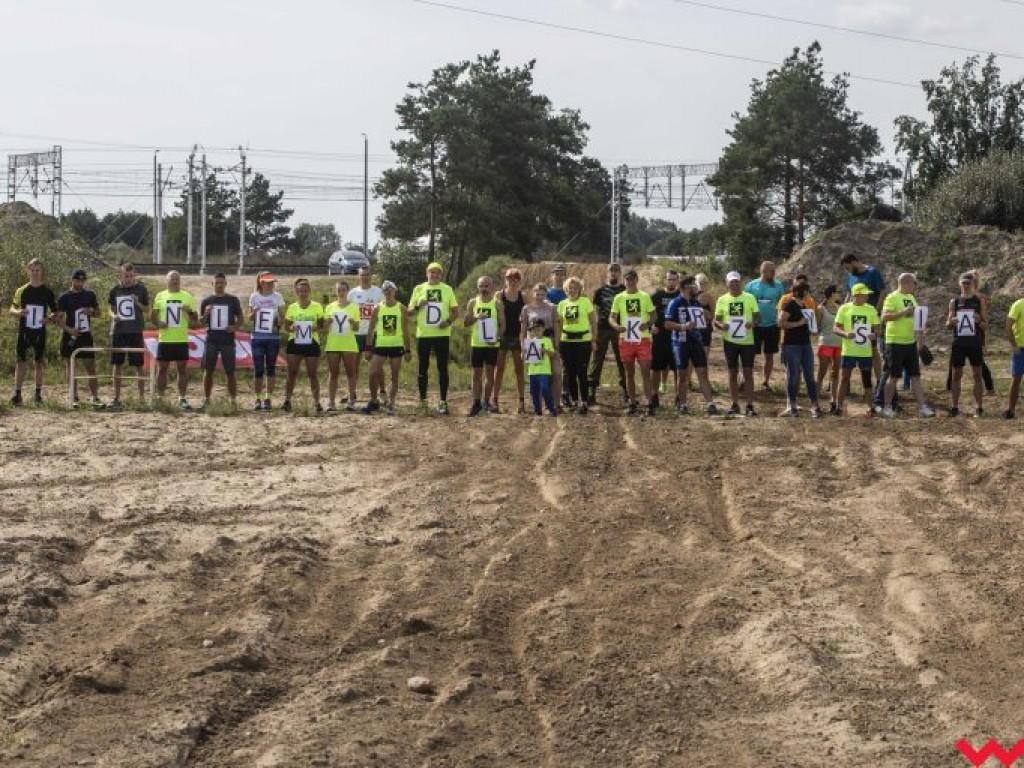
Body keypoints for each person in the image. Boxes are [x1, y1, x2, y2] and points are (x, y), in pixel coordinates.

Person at [880, 273, 935, 418]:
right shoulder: (892, 297)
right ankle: (887, 407)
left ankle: (922, 407)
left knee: (915, 376)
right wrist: (903, 312)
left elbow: (918, 319)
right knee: (893, 376)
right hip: (895, 342)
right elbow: (884, 317)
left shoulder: (911, 298)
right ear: (905, 283)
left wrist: (921, 338)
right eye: (913, 283)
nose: (915, 286)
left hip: (910, 342)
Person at [407, 262, 460, 414]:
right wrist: (418, 306)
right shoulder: (419, 289)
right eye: (432, 272)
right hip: (424, 335)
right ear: (427, 274)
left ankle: (443, 401)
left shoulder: (447, 289)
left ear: (441, 275)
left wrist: (448, 322)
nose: (434, 275)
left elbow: (456, 312)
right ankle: (423, 401)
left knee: (442, 369)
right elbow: (408, 313)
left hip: (442, 335)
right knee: (422, 368)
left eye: (437, 272)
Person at [665, 275, 718, 415]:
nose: (695, 288)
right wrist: (683, 326)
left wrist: (706, 316)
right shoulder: (675, 303)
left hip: (696, 341)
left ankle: (710, 404)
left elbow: (703, 321)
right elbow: (667, 324)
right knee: (682, 375)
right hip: (680, 343)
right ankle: (683, 404)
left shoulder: (696, 302)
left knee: (703, 373)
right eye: (693, 286)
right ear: (685, 288)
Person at [9, 258, 58, 406]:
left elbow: (56, 313)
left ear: (42, 271)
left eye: (38, 270)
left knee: (38, 362)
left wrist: (49, 319)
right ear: (28, 271)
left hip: (39, 332)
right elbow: (12, 309)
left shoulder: (47, 292)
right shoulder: (21, 290)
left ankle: (37, 395)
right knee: (20, 362)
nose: (35, 273)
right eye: (33, 270)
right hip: (24, 330)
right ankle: (17, 394)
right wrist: (18, 312)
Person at [610, 268, 657, 416]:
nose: (630, 282)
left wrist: (648, 324)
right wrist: (616, 326)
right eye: (627, 279)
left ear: (637, 280)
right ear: (624, 281)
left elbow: (654, 315)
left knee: (645, 371)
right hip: (626, 339)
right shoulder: (619, 297)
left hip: (643, 339)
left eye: (632, 279)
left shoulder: (645, 296)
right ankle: (632, 403)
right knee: (629, 372)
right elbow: (611, 317)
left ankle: (649, 402)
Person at [714, 271, 760, 417]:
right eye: (731, 282)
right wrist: (722, 326)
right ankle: (734, 404)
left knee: (748, 373)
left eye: (736, 281)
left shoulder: (750, 297)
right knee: (732, 372)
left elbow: (757, 317)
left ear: (740, 282)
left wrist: (753, 324)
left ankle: (750, 405)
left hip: (747, 342)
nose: (734, 284)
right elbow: (716, 320)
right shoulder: (722, 299)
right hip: (730, 342)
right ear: (727, 283)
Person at [362, 281, 411, 416]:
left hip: (396, 345)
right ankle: (374, 401)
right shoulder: (377, 308)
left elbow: (406, 331)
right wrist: (368, 348)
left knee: (394, 375)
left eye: (390, 291)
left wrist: (407, 349)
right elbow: (371, 329)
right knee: (372, 373)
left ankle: (391, 404)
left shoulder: (401, 308)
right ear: (383, 293)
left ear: (395, 291)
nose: (388, 294)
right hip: (381, 345)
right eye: (385, 291)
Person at [150, 270, 198, 409]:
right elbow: (152, 317)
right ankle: (160, 398)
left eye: (177, 279)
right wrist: (158, 323)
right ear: (167, 280)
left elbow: (195, 319)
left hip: (181, 339)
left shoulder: (187, 296)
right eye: (172, 279)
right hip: (165, 339)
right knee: (162, 369)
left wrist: (189, 311)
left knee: (182, 369)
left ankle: (182, 398)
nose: (175, 281)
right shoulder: (160, 296)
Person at [833, 283, 880, 417]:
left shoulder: (871, 309)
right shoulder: (844, 308)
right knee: (844, 378)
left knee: (867, 379)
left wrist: (874, 335)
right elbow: (835, 328)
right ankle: (838, 407)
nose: (867, 297)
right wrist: (845, 334)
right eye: (865, 294)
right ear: (857, 295)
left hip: (865, 351)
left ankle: (870, 408)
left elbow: (878, 329)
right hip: (849, 351)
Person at [777, 280, 822, 417]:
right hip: (792, 345)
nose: (807, 293)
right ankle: (792, 406)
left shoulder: (805, 305)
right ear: (798, 292)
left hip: (805, 344)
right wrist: (799, 323)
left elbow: (808, 325)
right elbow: (781, 323)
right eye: (805, 291)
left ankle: (815, 405)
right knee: (793, 375)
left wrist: (813, 329)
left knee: (810, 375)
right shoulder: (789, 305)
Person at [108, 262, 150, 409]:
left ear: (134, 275)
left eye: (130, 276)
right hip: (118, 331)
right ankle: (116, 398)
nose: (128, 278)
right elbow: (110, 309)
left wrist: (137, 303)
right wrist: (113, 316)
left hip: (135, 331)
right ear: (121, 275)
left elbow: (147, 309)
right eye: (125, 275)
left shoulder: (141, 289)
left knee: (138, 365)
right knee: (117, 364)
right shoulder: (115, 289)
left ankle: (141, 399)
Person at [58, 268, 101, 408]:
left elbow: (99, 313)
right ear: (72, 280)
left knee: (90, 366)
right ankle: (74, 397)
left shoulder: (90, 294)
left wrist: (91, 311)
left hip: (85, 335)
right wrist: (69, 330)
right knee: (71, 367)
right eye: (78, 280)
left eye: (83, 280)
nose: (80, 283)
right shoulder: (64, 297)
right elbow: (59, 318)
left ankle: (95, 397)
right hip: (70, 336)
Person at [199, 273, 243, 409]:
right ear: (212, 284)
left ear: (225, 284)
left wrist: (234, 327)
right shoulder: (206, 300)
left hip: (227, 340)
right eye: (217, 282)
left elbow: (241, 318)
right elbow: (201, 322)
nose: (219, 285)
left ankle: (233, 401)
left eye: (221, 282)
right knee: (208, 370)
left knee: (230, 371)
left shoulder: (233, 300)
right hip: (211, 339)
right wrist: (205, 314)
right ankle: (206, 400)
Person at [841, 253, 887, 380]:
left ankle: (879, 381)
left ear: (854, 262)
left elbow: (883, 291)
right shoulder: (850, 276)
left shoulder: (872, 272)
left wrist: (876, 312)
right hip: (852, 318)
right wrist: (843, 311)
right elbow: (849, 294)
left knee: (873, 348)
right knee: (850, 347)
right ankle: (846, 382)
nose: (847, 271)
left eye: (848, 267)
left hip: (869, 317)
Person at [463, 275, 504, 417]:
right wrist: (476, 318)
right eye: (481, 286)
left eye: (486, 286)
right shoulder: (472, 303)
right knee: (476, 374)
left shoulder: (497, 303)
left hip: (492, 344)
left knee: (490, 374)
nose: (484, 288)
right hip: (477, 344)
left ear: (492, 287)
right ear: (478, 287)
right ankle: (476, 403)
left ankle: (486, 401)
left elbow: (503, 324)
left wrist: (497, 338)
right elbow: (466, 323)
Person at [946, 272, 986, 417]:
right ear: (960, 284)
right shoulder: (954, 302)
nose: (966, 285)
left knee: (977, 374)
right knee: (956, 374)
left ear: (973, 284)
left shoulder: (979, 301)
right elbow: (947, 324)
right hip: (959, 342)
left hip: (974, 342)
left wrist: (979, 320)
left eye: (969, 283)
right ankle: (955, 407)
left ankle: (979, 407)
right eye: (964, 283)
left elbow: (985, 325)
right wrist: (952, 322)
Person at [588, 263, 628, 406]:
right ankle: (591, 391)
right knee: (597, 360)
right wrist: (595, 331)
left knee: (623, 359)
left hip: (619, 329)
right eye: (612, 270)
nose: (614, 273)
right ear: (607, 273)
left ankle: (627, 391)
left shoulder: (625, 290)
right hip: (603, 328)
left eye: (617, 271)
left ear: (620, 273)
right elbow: (596, 312)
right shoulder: (600, 292)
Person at [282, 277, 325, 413]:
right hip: (295, 342)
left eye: (305, 291)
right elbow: (286, 327)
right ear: (297, 292)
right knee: (292, 373)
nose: (303, 293)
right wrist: (292, 328)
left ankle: (316, 402)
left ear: (309, 291)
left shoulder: (317, 306)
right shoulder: (292, 307)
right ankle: (287, 400)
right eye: (300, 291)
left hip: (311, 342)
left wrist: (314, 328)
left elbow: (322, 325)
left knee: (312, 374)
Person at [556, 276, 596, 414]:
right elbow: (559, 325)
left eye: (575, 288)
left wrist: (594, 340)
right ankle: (574, 401)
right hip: (566, 342)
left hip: (583, 342)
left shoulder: (585, 302)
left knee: (582, 372)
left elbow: (593, 322)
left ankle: (584, 402)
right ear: (566, 290)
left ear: (579, 289)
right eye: (569, 288)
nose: (572, 290)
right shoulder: (562, 304)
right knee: (570, 373)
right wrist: (557, 342)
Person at [521, 282, 562, 410]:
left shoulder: (552, 307)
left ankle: (556, 403)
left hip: (549, 340)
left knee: (556, 373)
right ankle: (538, 405)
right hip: (533, 343)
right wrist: (523, 347)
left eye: (542, 294)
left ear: (546, 294)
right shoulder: (526, 309)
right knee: (536, 375)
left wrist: (556, 344)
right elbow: (523, 330)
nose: (539, 296)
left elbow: (557, 327)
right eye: (537, 293)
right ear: (533, 293)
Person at [248, 272, 286, 410]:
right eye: (267, 282)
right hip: (257, 337)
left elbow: (283, 317)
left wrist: (278, 326)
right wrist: (254, 312)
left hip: (272, 337)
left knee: (271, 368)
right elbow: (250, 318)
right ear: (261, 283)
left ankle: (268, 398)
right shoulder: (254, 297)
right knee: (258, 368)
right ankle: (257, 398)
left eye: (272, 282)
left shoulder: (278, 297)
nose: (270, 285)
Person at [745, 261, 785, 390]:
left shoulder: (778, 286)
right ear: (763, 271)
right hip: (755, 326)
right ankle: (746, 380)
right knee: (749, 355)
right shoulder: (751, 286)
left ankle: (765, 382)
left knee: (769, 355)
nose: (774, 273)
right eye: (771, 271)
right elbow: (745, 305)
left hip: (772, 325)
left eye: (774, 270)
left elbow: (782, 304)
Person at [324, 280, 362, 411]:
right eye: (338, 290)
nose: (341, 292)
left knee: (351, 372)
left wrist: (353, 323)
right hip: (333, 344)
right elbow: (324, 326)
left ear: (347, 291)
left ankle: (351, 400)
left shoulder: (354, 307)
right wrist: (328, 322)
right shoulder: (330, 307)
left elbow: (357, 328)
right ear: (336, 292)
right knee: (333, 373)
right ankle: (331, 402)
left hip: (348, 345)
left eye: (343, 290)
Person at [493, 268, 526, 414]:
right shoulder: (499, 295)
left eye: (515, 279)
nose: (512, 281)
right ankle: (495, 400)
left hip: (518, 336)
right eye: (509, 278)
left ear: (519, 281)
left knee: (519, 369)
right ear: (506, 280)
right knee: (499, 368)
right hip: (502, 335)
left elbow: (528, 315)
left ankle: (521, 401)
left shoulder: (523, 296)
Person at [349, 264, 383, 396]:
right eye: (362, 275)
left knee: (377, 367)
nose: (365, 277)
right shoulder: (352, 293)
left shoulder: (378, 292)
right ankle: (352, 392)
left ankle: (382, 391)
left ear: (371, 275)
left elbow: (385, 311)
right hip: (357, 333)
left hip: (374, 334)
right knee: (353, 365)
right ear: (358, 276)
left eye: (367, 274)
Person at [650, 269, 681, 407]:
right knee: (656, 368)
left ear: (677, 281)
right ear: (665, 280)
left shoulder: (681, 296)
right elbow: (648, 314)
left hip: (676, 337)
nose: (671, 282)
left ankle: (679, 397)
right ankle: (654, 396)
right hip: (660, 338)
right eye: (669, 279)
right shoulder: (656, 296)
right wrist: (651, 326)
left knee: (678, 369)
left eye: (674, 279)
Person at [815, 285, 842, 414]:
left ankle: (833, 400)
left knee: (835, 372)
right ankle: (815, 401)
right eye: (837, 292)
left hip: (838, 344)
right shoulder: (820, 309)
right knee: (822, 371)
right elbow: (817, 327)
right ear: (832, 294)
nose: (839, 294)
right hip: (825, 343)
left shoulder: (839, 308)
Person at [523, 318, 557, 417]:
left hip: (544, 371)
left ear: (543, 328)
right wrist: (524, 354)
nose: (536, 331)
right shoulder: (530, 342)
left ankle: (551, 408)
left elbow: (552, 354)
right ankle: (537, 410)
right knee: (533, 392)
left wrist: (545, 350)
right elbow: (526, 357)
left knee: (545, 389)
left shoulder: (547, 340)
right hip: (532, 371)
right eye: (534, 329)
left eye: (538, 328)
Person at [1005, 279, 1024, 419]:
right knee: (1016, 378)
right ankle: (1010, 410)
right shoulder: (1018, 305)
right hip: (1020, 349)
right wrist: (1014, 345)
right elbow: (1008, 326)